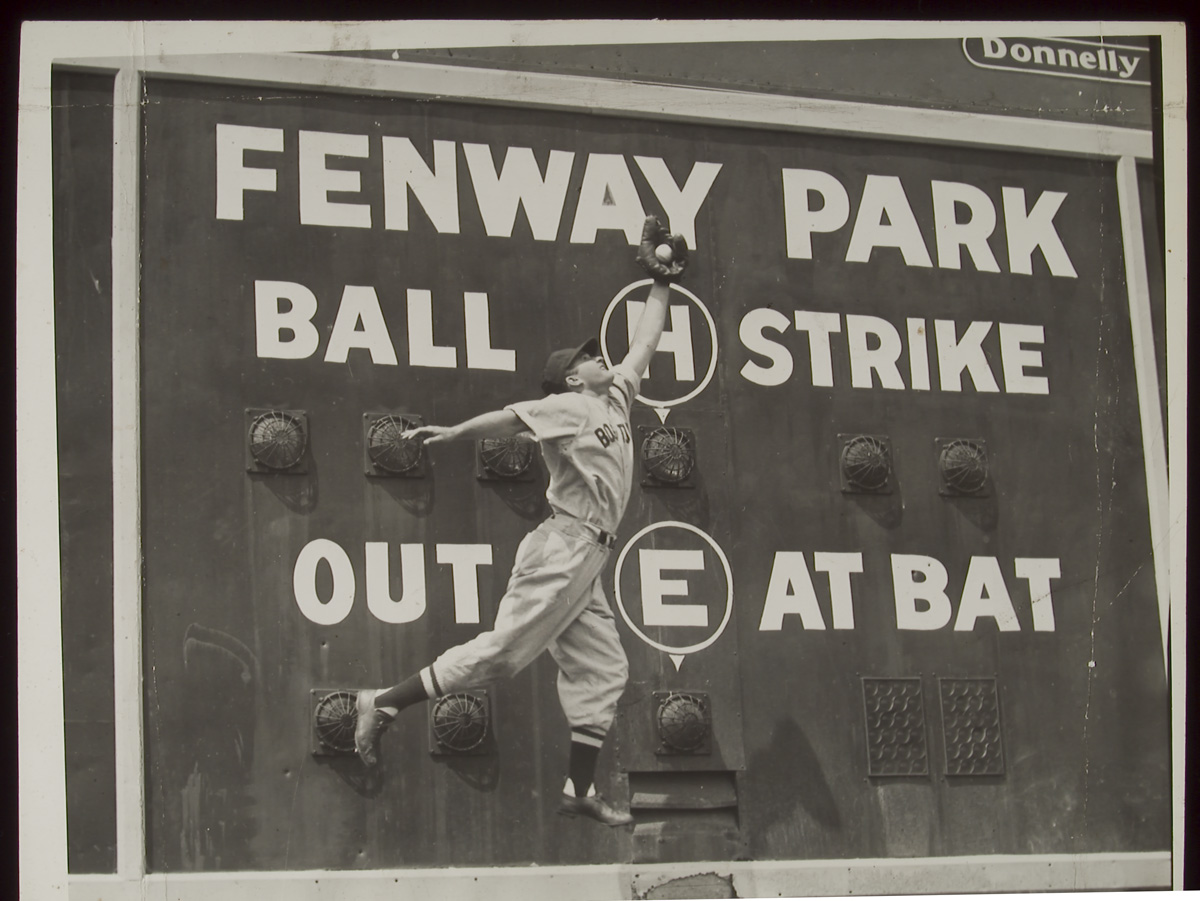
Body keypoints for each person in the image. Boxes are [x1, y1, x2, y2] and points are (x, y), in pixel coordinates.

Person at [353, 216, 688, 827]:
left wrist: (658, 283)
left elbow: (644, 344)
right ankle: (384, 701)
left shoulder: (613, 398)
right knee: (504, 655)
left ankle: (579, 790)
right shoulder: (567, 404)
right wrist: (456, 431)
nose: (600, 358)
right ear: (569, 376)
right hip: (563, 547)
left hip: (588, 560)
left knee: (604, 669)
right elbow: (511, 419)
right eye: (589, 357)